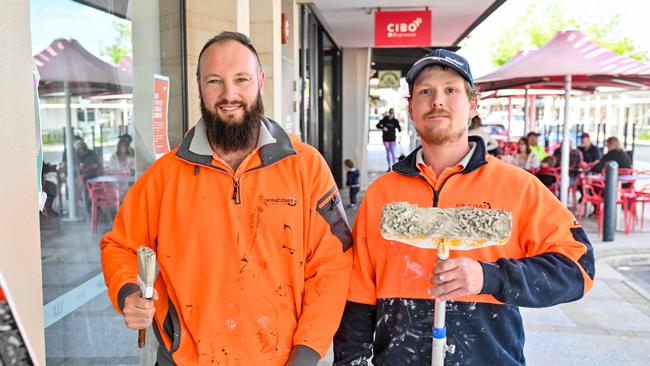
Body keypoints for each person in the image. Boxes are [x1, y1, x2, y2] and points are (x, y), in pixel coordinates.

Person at [100, 32, 352, 366]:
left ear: (260, 81)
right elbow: (120, 245)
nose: (229, 94)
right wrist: (128, 291)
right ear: (199, 86)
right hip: (187, 358)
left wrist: (307, 352)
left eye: (241, 79)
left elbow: (333, 265)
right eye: (215, 81)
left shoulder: (306, 167)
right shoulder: (165, 176)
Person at [333, 49, 594, 366]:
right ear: (411, 109)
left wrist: (492, 277)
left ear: (472, 106)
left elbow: (578, 267)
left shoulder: (517, 187)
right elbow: (358, 293)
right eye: (425, 91)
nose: (437, 100)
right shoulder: (381, 195)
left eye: (451, 90)